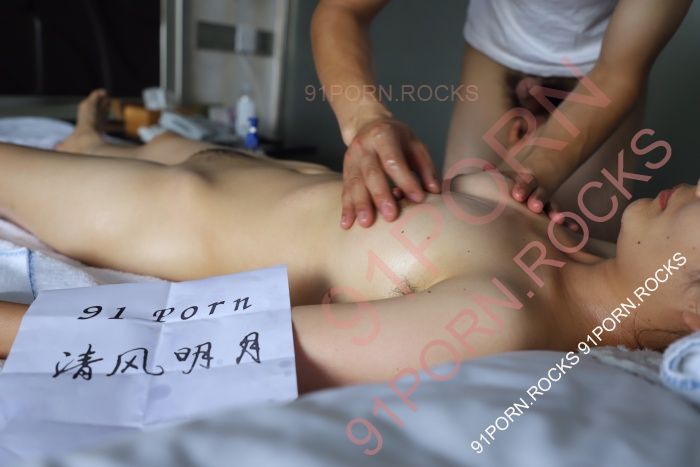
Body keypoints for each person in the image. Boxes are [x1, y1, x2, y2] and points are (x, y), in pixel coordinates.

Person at [0, 91, 698, 394]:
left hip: (162, 215)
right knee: (116, 144)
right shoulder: (582, 244)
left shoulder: (499, 318)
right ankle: (91, 136)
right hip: (246, 170)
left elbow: (227, 343)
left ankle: (90, 143)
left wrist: (8, 326)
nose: (694, 186)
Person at [311, 0, 692, 239]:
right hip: (494, 60)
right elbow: (342, 11)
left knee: (572, 251)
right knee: (460, 229)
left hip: (601, 75)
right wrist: (365, 120)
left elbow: (617, 73)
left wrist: (531, 174)